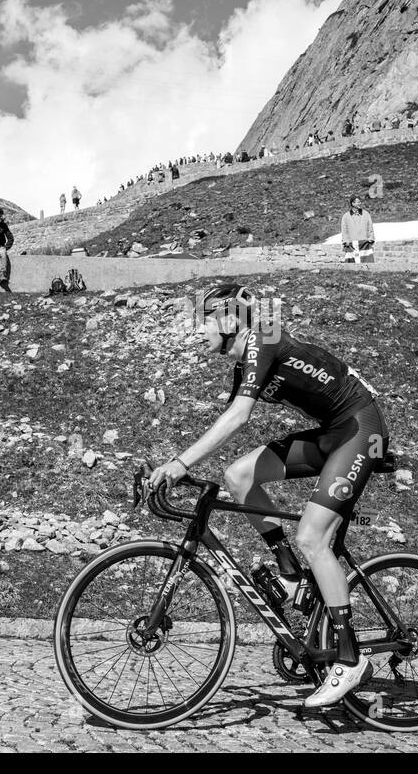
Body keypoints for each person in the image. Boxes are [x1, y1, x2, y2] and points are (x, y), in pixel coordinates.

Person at [147, 285, 389, 709]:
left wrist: (180, 463)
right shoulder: (244, 366)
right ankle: (290, 572)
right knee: (238, 475)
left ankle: (350, 658)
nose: (196, 331)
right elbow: (226, 422)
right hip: (333, 433)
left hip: (360, 430)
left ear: (228, 320)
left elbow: (240, 417)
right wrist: (177, 467)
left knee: (313, 537)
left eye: (203, 320)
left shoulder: (265, 339)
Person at [340, 196, 375, 264]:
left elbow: (370, 227)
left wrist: (371, 238)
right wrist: (345, 240)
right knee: (352, 265)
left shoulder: (366, 214)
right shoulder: (346, 216)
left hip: (364, 243)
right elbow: (344, 230)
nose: (360, 203)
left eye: (360, 202)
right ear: (353, 203)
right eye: (358, 202)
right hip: (352, 244)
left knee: (366, 263)